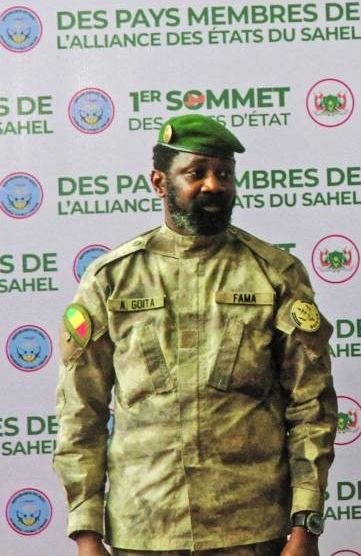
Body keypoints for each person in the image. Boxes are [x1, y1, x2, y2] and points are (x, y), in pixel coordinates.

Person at [53, 115, 338, 556]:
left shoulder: (275, 274)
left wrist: (306, 524)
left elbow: (311, 407)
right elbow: (80, 413)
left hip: (252, 529)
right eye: (196, 172)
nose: (213, 184)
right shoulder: (113, 279)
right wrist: (86, 533)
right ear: (160, 182)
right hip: (143, 529)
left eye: (224, 174)